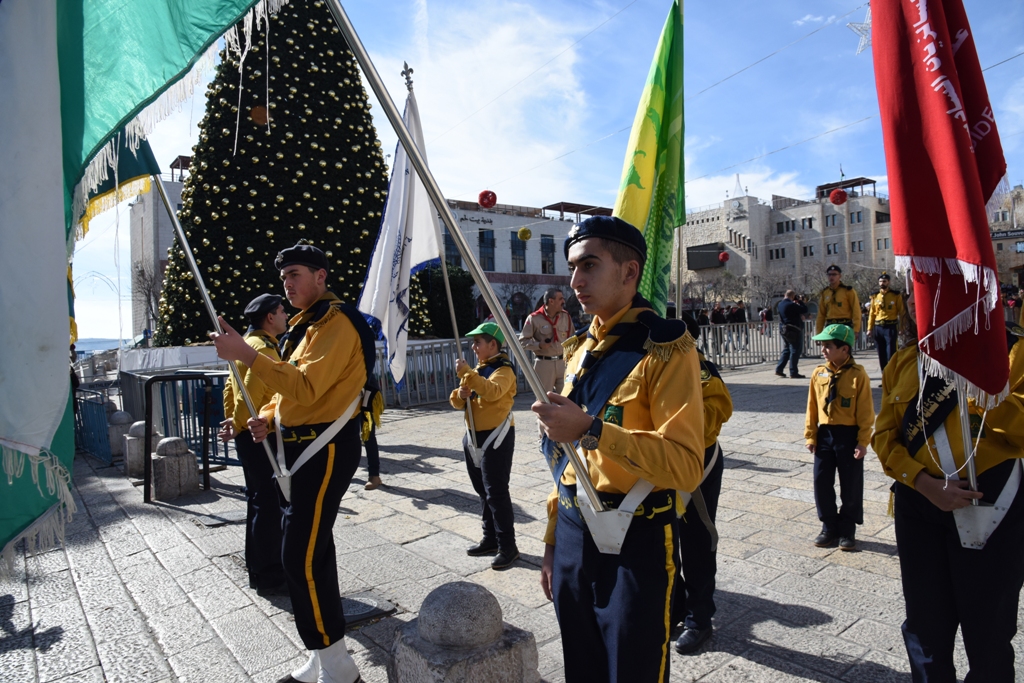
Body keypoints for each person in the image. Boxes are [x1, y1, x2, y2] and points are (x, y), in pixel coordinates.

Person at [532, 215, 705, 683]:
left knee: (632, 668)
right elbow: (567, 462)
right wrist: (552, 541)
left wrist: (591, 428)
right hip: (572, 528)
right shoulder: (579, 349)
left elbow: (687, 465)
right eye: (571, 268)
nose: (574, 281)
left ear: (629, 272)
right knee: (581, 666)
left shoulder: (666, 347)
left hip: (635, 534)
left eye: (589, 265)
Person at [211, 243, 373, 683]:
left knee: (299, 555)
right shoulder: (308, 326)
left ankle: (337, 664)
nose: (288, 283)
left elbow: (305, 387)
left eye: (296, 274)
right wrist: (265, 417)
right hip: (300, 448)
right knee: (313, 553)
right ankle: (327, 657)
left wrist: (245, 354)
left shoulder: (335, 323)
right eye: (284, 277)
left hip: (325, 449)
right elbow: (288, 396)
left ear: (321, 276)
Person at [874, 286, 1024, 682]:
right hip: (918, 505)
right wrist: (922, 483)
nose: (913, 301)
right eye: (913, 292)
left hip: (991, 507)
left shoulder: (1011, 351)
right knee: (925, 632)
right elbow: (884, 438)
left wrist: (980, 380)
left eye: (933, 286)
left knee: (989, 634)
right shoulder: (905, 361)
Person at [218, 293, 289, 596]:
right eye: (282, 311)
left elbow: (228, 389)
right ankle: (271, 575)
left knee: (258, 500)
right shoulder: (262, 349)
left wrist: (231, 422)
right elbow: (249, 393)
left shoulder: (247, 346)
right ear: (270, 317)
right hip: (259, 431)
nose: (286, 315)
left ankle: (258, 570)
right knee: (269, 504)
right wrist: (237, 424)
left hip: (248, 431)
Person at [672, 314, 733, 655]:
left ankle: (699, 618)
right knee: (665, 541)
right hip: (659, 466)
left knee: (697, 539)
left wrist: (679, 426)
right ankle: (675, 608)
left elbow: (719, 409)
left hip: (697, 465)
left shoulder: (700, 367)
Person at [450, 321, 519, 570]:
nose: (473, 346)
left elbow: (492, 392)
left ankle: (507, 546)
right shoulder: (478, 369)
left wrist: (468, 375)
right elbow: (457, 401)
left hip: (496, 437)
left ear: (493, 345)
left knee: (497, 492)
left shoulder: (504, 369)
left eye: (478, 342)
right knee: (483, 492)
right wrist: (460, 395)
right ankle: (490, 539)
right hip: (473, 436)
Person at [804, 324, 874, 551]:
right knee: (821, 481)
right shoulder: (819, 373)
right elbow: (812, 407)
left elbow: (865, 410)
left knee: (850, 484)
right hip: (825, 434)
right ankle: (828, 526)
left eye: (828, 346)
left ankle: (847, 529)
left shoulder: (858, 374)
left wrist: (863, 441)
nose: (823, 350)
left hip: (848, 434)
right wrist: (811, 435)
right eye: (822, 345)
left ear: (845, 349)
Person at [520, 288, 573, 394]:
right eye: (560, 299)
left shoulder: (565, 316)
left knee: (567, 399)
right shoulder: (533, 318)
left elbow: (573, 338)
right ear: (551, 301)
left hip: (563, 363)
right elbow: (522, 342)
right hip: (544, 364)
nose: (563, 301)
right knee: (544, 401)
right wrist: (539, 345)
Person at [866, 272, 904, 371]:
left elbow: (901, 312)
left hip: (890, 327)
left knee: (891, 353)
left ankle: (892, 377)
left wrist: (902, 327)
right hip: (878, 327)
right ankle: (884, 377)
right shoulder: (875, 296)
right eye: (880, 281)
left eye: (884, 281)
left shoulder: (895, 295)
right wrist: (869, 328)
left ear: (889, 282)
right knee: (881, 353)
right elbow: (872, 314)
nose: (882, 283)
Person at [816, 265, 861, 336]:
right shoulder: (825, 293)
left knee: (844, 347)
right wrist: (818, 332)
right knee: (829, 346)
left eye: (834, 274)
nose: (831, 277)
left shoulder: (848, 291)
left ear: (840, 276)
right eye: (829, 274)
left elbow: (856, 311)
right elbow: (821, 314)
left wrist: (856, 329)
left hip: (844, 325)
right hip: (830, 326)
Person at [776, 290, 808, 379]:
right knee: (795, 350)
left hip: (784, 329)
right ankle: (793, 372)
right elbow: (804, 309)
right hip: (794, 330)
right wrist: (800, 301)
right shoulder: (791, 304)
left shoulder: (780, 304)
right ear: (793, 296)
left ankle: (779, 368)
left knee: (787, 349)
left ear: (784, 295)